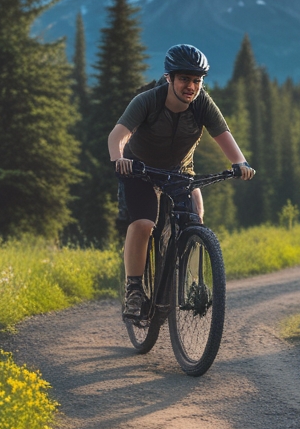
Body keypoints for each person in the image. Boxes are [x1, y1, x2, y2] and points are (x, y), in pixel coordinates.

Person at [108, 44, 255, 322]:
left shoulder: (202, 104)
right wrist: (119, 160)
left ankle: (193, 283)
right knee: (143, 223)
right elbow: (117, 136)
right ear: (169, 78)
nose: (191, 86)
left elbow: (224, 136)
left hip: (179, 172)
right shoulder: (148, 101)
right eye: (185, 79)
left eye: (197, 81)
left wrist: (241, 164)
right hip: (139, 169)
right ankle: (134, 289)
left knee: (195, 220)